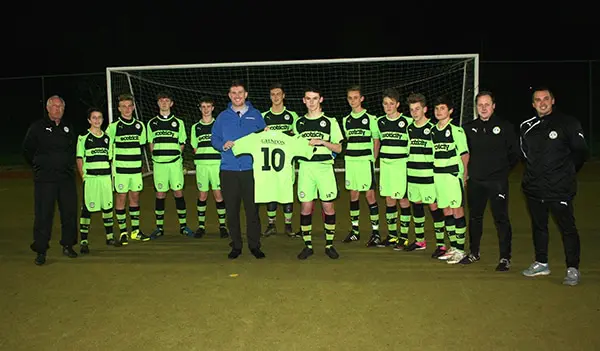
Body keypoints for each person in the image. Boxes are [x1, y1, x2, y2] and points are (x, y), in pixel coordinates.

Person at [519, 86, 588, 286]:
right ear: (533, 104)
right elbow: (524, 153)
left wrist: (565, 173)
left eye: (546, 99)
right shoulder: (526, 126)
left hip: (560, 188)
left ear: (553, 100)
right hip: (534, 188)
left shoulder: (568, 123)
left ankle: (572, 268)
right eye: (538, 100)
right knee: (539, 226)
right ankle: (541, 262)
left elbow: (581, 152)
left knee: (567, 228)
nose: (542, 102)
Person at [463, 91, 519, 270]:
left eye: (487, 104)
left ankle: (505, 257)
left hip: (497, 182)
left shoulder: (505, 126)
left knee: (501, 219)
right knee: (475, 218)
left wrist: (502, 172)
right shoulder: (468, 128)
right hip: (476, 182)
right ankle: (474, 253)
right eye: (480, 105)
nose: (484, 108)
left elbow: (515, 154)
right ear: (476, 107)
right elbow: (464, 154)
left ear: (493, 106)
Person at [211, 80, 267, 259]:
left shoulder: (256, 115)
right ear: (229, 96)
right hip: (229, 170)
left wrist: (266, 134)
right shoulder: (222, 117)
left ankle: (254, 245)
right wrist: (222, 145)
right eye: (233, 93)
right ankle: (236, 245)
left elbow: (264, 138)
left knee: (252, 210)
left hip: (251, 170)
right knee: (232, 211)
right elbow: (214, 139)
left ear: (246, 95)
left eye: (240, 92)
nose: (237, 96)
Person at [23, 95, 79, 265]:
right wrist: (40, 165)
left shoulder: (68, 127)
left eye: (61, 106)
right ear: (48, 108)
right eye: (55, 106)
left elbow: (74, 149)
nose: (58, 109)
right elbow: (27, 150)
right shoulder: (37, 127)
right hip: (45, 180)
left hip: (66, 178)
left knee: (69, 213)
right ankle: (41, 250)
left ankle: (68, 244)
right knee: (43, 215)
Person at [293, 86, 343, 259]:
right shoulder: (298, 123)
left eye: (315, 98)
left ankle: (329, 245)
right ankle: (308, 246)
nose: (312, 102)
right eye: (308, 98)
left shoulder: (330, 121)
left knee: (328, 206)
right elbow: (292, 145)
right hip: (306, 169)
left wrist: (321, 142)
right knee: (306, 207)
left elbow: (339, 147)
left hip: (324, 168)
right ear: (304, 100)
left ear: (321, 100)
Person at [146, 91, 194, 238]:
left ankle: (183, 226)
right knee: (160, 194)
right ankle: (159, 228)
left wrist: (174, 157)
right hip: (160, 165)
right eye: (161, 101)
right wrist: (158, 158)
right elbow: (151, 144)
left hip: (174, 165)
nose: (164, 103)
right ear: (158, 103)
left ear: (171, 103)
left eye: (167, 101)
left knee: (178, 192)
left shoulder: (178, 123)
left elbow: (182, 143)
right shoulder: (152, 123)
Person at [105, 93, 151, 245]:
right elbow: (107, 148)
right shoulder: (113, 127)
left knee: (135, 198)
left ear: (133, 107)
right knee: (121, 198)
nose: (127, 109)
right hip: (120, 170)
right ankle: (123, 231)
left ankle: (135, 231)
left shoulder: (140, 126)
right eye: (123, 106)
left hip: (135, 170)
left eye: (129, 106)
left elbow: (141, 147)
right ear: (119, 109)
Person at [405, 93, 447, 256]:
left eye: (417, 109)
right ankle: (420, 240)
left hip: (429, 176)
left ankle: (441, 244)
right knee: (416, 206)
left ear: (425, 109)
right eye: (412, 110)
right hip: (413, 175)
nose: (414, 112)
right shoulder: (409, 128)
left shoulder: (433, 128)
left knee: (434, 208)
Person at [430, 95, 470, 264]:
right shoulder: (433, 130)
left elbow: (465, 154)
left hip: (453, 176)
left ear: (450, 111)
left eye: (443, 108)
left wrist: (464, 174)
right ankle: (453, 246)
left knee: (457, 210)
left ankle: (460, 250)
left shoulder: (456, 130)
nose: (439, 112)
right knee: (446, 211)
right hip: (438, 176)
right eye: (437, 108)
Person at [340, 85, 381, 246]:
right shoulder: (346, 120)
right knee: (353, 195)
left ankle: (376, 232)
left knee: (370, 196)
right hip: (351, 162)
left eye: (355, 97)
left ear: (362, 98)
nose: (352, 101)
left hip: (365, 162)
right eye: (350, 98)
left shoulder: (371, 119)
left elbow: (376, 141)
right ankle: (355, 231)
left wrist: (373, 159)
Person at [373, 88, 413, 248]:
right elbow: (377, 142)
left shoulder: (407, 122)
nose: (388, 107)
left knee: (403, 200)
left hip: (400, 166)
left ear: (397, 104)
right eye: (385, 104)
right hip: (385, 166)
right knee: (389, 199)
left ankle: (403, 236)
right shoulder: (379, 122)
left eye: (391, 104)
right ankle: (391, 235)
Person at [261, 83, 300, 237]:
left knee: (286, 192)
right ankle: (271, 224)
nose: (276, 97)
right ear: (270, 96)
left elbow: (297, 138)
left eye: (278, 94)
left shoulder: (292, 116)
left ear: (283, 96)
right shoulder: (264, 116)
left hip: (287, 162)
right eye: (273, 94)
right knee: (271, 192)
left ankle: (288, 225)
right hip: (268, 162)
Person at [76, 108, 118, 253]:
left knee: (107, 207)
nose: (97, 120)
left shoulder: (107, 138)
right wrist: (83, 176)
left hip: (105, 178)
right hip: (91, 179)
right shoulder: (83, 137)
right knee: (87, 208)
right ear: (89, 120)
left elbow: (110, 159)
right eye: (94, 117)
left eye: (99, 117)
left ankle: (110, 237)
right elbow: (79, 158)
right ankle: (84, 241)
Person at [190, 96, 229, 239]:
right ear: (200, 108)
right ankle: (201, 226)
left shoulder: (219, 126)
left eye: (208, 106)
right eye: (203, 107)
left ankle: (223, 226)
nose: (206, 109)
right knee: (202, 195)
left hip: (216, 165)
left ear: (213, 108)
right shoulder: (195, 127)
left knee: (218, 195)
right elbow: (195, 147)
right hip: (201, 166)